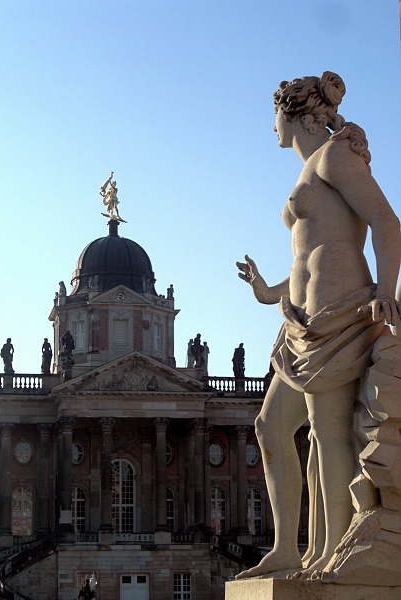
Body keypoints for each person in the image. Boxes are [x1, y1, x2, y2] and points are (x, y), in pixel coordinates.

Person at [236, 72, 400, 579]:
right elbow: (310, 256)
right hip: (300, 325)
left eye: (274, 118)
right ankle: (287, 549)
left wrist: (386, 294)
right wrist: (270, 293)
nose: (272, 130)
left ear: (294, 112)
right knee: (270, 428)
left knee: (329, 436)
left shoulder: (333, 155)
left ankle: (333, 556)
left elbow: (386, 223)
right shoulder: (310, 169)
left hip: (339, 319)